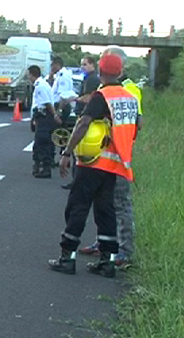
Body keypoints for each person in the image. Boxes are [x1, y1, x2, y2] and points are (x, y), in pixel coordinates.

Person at [48, 54, 139, 278]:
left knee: (78, 206)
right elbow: (137, 127)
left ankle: (67, 258)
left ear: (100, 71)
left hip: (94, 161)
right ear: (120, 72)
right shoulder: (129, 98)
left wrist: (67, 152)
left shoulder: (102, 96)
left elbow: (83, 124)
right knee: (106, 212)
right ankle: (107, 262)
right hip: (116, 164)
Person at [78, 46, 144, 269]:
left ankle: (124, 251)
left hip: (119, 156)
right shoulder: (106, 86)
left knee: (120, 205)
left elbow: (138, 123)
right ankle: (104, 244)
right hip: (103, 156)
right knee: (103, 204)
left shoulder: (130, 89)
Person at [61, 56, 101, 190]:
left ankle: (77, 182)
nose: (82, 67)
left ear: (92, 65)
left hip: (85, 117)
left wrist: (75, 99)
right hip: (84, 115)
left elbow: (90, 97)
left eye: (85, 64)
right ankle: (77, 180)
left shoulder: (92, 79)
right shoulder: (89, 78)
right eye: (81, 64)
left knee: (77, 150)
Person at [28, 65, 61, 178]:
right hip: (41, 116)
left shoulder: (41, 86)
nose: (28, 77)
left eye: (29, 75)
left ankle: (45, 169)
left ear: (32, 74)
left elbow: (47, 103)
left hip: (44, 117)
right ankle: (39, 167)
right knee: (39, 144)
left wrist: (54, 115)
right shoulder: (40, 84)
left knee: (42, 143)